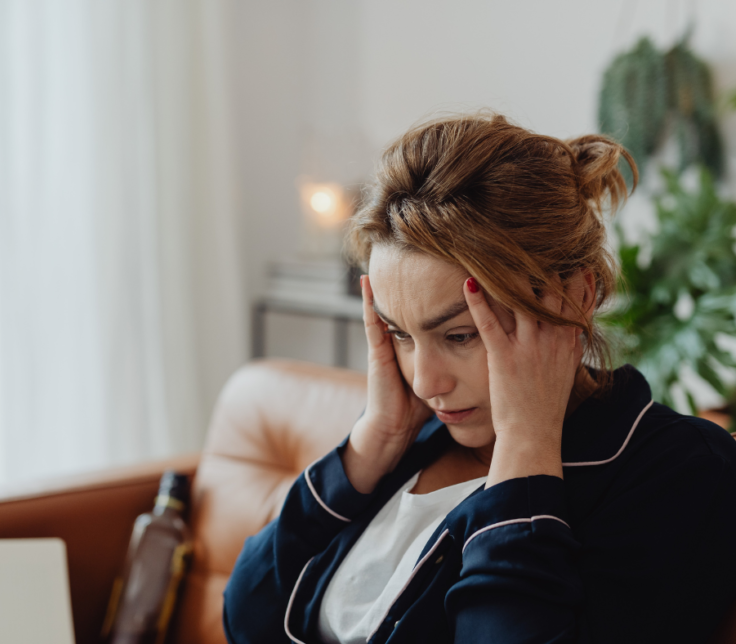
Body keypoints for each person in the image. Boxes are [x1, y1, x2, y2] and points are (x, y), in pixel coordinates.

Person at [222, 113, 736, 643]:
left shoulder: (680, 471)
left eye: (461, 335)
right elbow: (245, 615)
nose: (425, 381)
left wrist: (527, 447)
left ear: (576, 297)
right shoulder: (414, 438)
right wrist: (369, 445)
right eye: (400, 334)